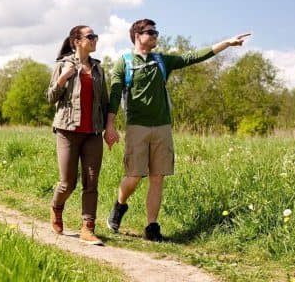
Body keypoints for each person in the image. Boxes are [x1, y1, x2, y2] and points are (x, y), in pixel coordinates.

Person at [105, 18, 250, 242]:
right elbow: (115, 94)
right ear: (137, 35)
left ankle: (151, 227)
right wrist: (110, 125)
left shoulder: (162, 61)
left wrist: (226, 43)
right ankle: (119, 205)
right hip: (137, 127)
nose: (155, 35)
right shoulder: (123, 63)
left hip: (162, 127)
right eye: (150, 32)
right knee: (133, 177)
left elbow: (193, 56)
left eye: (156, 32)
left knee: (157, 178)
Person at [47, 25, 116, 245]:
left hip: (93, 132)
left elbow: (104, 101)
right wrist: (62, 79)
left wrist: (110, 128)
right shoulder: (62, 65)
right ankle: (57, 207)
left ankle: (88, 228)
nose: (95, 39)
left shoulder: (98, 69)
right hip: (67, 131)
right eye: (90, 36)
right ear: (77, 41)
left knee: (91, 182)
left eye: (95, 36)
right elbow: (50, 97)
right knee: (68, 183)